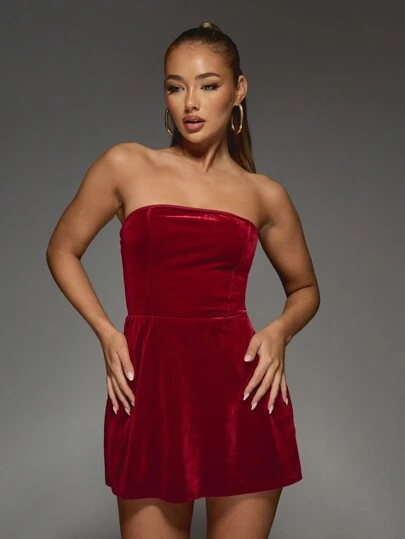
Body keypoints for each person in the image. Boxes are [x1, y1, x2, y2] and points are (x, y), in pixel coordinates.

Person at [46, 21, 320, 539]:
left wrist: (278, 333)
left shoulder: (265, 194)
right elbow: (62, 250)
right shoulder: (127, 164)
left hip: (242, 395)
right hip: (150, 391)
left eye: (208, 85)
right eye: (176, 87)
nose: (190, 103)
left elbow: (305, 290)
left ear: (238, 91)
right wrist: (108, 334)